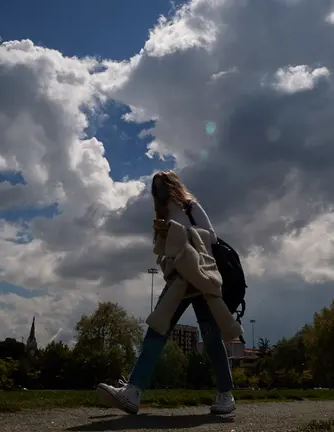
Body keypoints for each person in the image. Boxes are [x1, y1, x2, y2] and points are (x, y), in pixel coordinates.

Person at [96, 170, 236, 415]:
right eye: (155, 188)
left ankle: (226, 394)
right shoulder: (161, 214)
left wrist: (179, 231)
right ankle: (133, 391)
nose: (159, 192)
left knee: (212, 337)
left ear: (173, 186)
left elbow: (211, 238)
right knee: (157, 329)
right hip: (179, 281)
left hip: (201, 277)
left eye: (162, 186)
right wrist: (164, 234)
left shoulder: (191, 207)